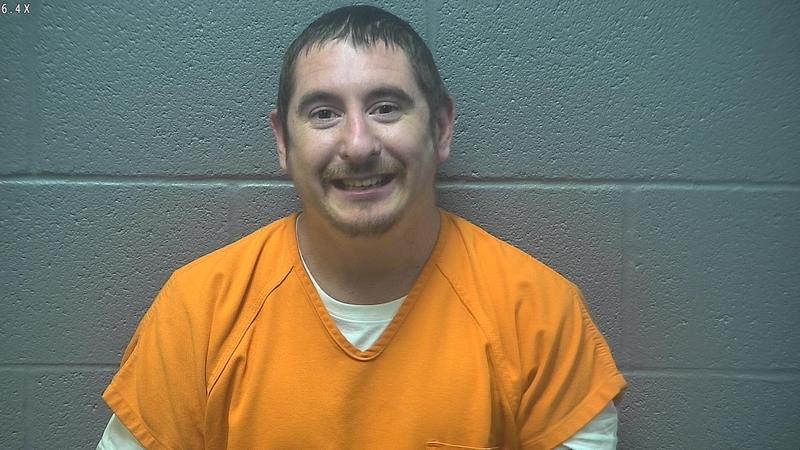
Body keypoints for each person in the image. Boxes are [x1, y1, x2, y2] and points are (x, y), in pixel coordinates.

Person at [98, 5, 626, 449]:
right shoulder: (197, 312)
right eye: (324, 113)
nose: (357, 144)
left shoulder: (539, 315)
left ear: (441, 128)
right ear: (283, 141)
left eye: (386, 107)